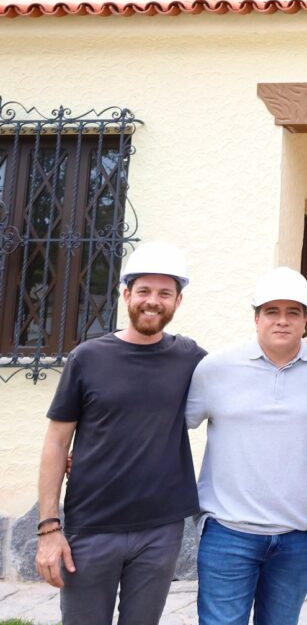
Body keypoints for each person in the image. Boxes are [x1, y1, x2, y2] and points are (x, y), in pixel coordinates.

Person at [34, 242, 205, 625]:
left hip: (161, 531)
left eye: (165, 293)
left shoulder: (190, 357)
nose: (153, 301)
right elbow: (57, 442)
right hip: (92, 527)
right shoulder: (88, 357)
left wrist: (305, 347)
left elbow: (245, 370)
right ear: (126, 294)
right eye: (144, 291)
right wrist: (48, 529)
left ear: (178, 302)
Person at [185, 267, 307, 625]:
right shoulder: (215, 368)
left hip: (296, 536)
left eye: (293, 312)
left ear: (306, 320)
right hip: (227, 532)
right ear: (256, 318)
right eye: (272, 311)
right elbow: (168, 429)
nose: (282, 321)